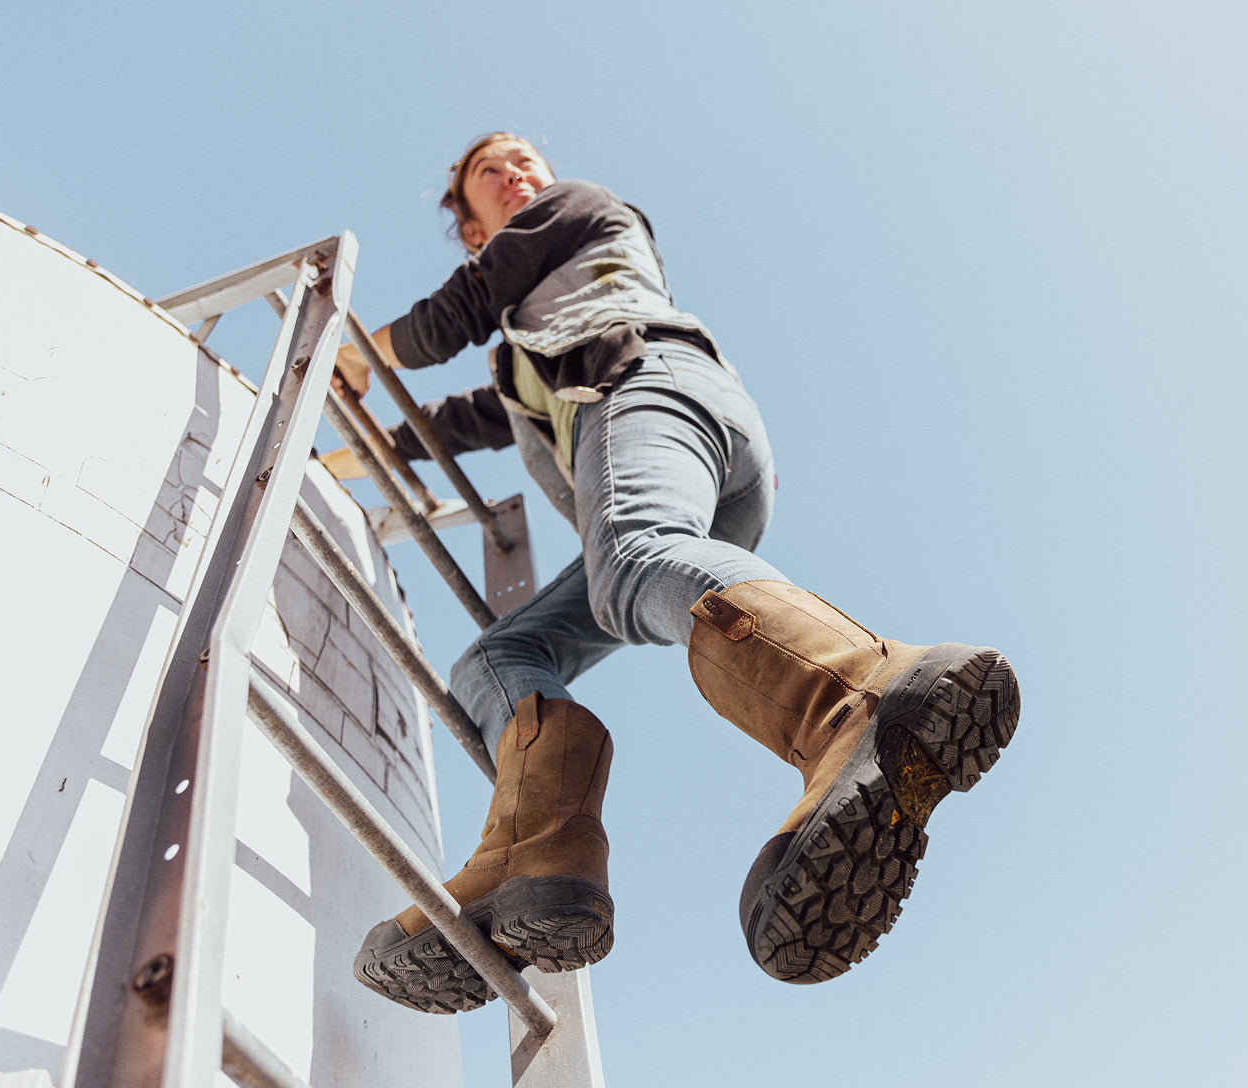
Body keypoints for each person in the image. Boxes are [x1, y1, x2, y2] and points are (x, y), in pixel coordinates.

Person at [338, 133, 1020, 1014]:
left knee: (631, 557)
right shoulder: (529, 347)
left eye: (522, 160)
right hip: (688, 466)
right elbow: (458, 424)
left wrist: (356, 354)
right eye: (490, 172)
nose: (516, 173)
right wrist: (345, 450)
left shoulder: (572, 210)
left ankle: (858, 691)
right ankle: (536, 850)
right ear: (471, 223)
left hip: (648, 390)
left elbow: (457, 312)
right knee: (498, 658)